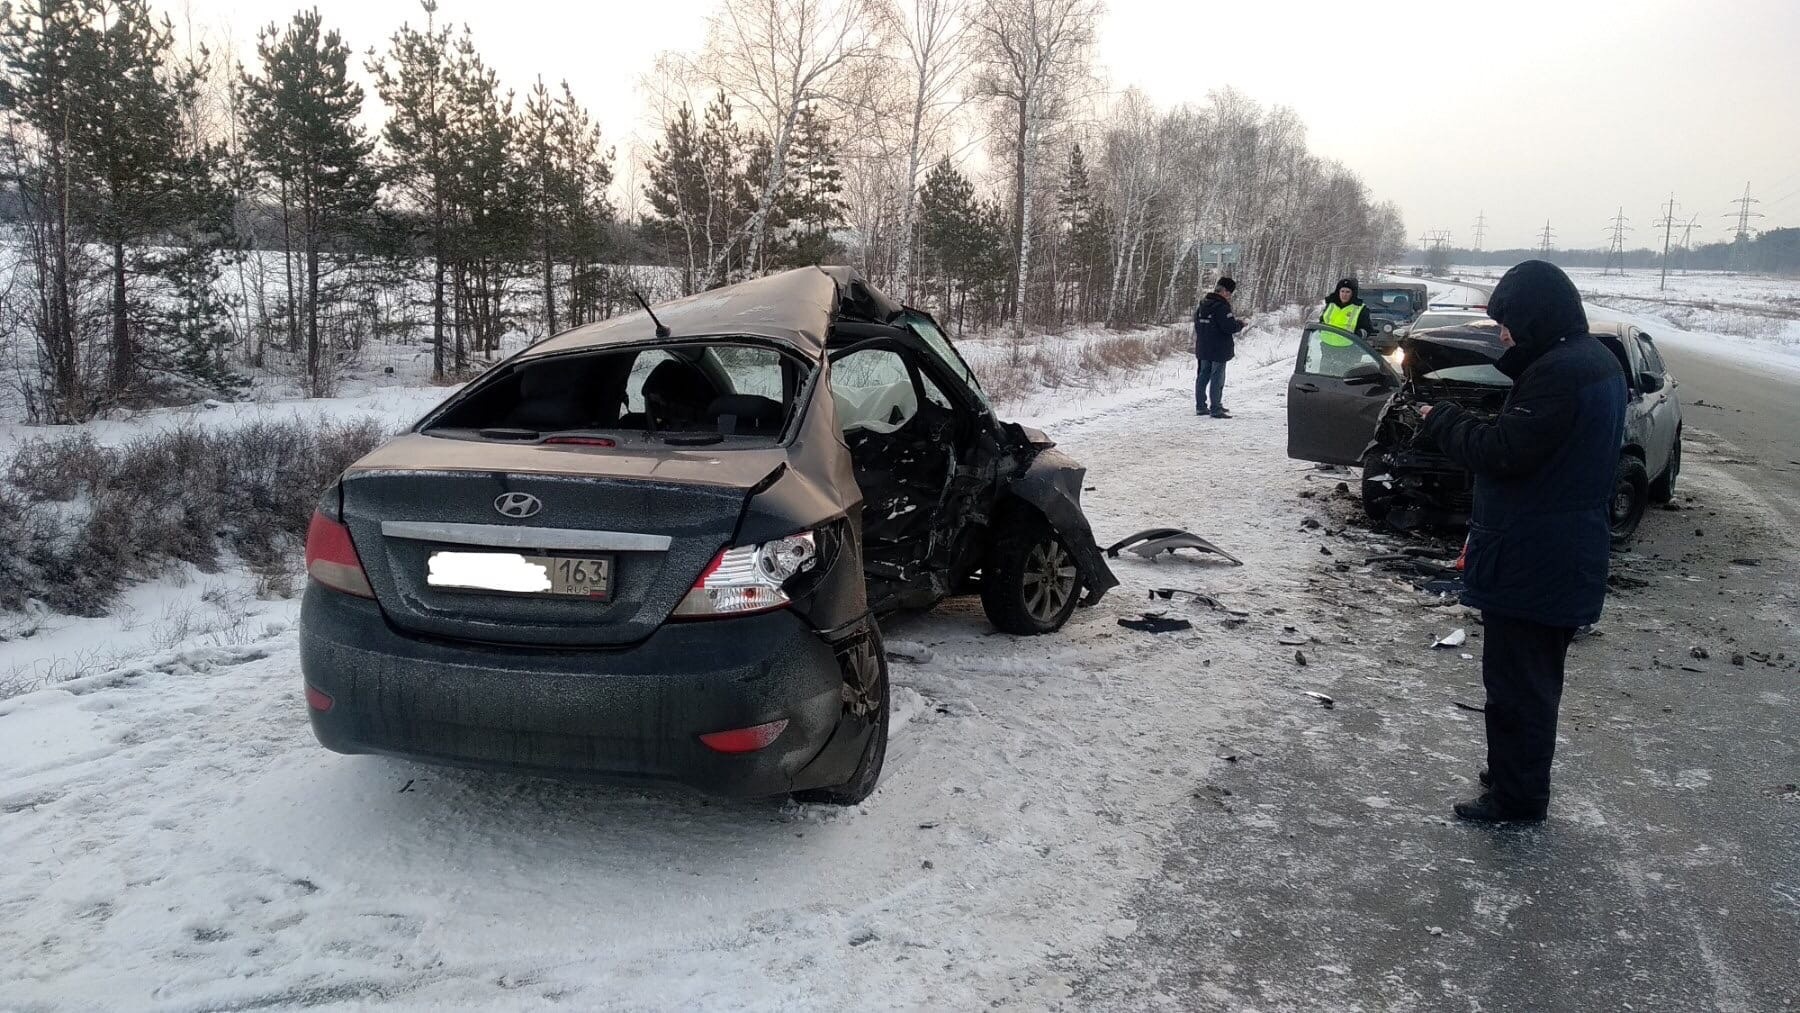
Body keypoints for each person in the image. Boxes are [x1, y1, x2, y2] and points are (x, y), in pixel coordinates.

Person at [1418, 260, 1627, 824]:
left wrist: (1443, 418)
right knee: (1529, 679)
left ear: (1537, 314)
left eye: (1507, 322)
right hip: (1558, 549)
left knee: (1519, 686)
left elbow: (1503, 452)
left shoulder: (1560, 372)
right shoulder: (1593, 362)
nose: (1503, 334)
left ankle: (1517, 799)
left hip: (1536, 555)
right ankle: (1515, 772)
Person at [1192, 278, 1246, 418]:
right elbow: (1229, 327)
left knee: (1203, 376)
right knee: (1217, 377)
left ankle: (1200, 406)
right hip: (1219, 349)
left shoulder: (1202, 305)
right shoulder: (1222, 307)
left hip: (1203, 347)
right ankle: (1216, 408)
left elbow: (1197, 325)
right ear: (1224, 292)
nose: (1229, 296)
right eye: (1229, 293)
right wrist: (1239, 324)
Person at [1318, 278, 1376, 375]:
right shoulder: (1330, 304)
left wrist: (1359, 334)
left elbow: (1367, 329)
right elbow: (1322, 320)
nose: (1344, 294)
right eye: (1342, 291)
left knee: (1343, 379)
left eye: (1348, 292)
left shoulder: (1360, 308)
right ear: (1338, 291)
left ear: (1353, 293)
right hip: (1326, 348)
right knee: (1324, 376)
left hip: (1347, 350)